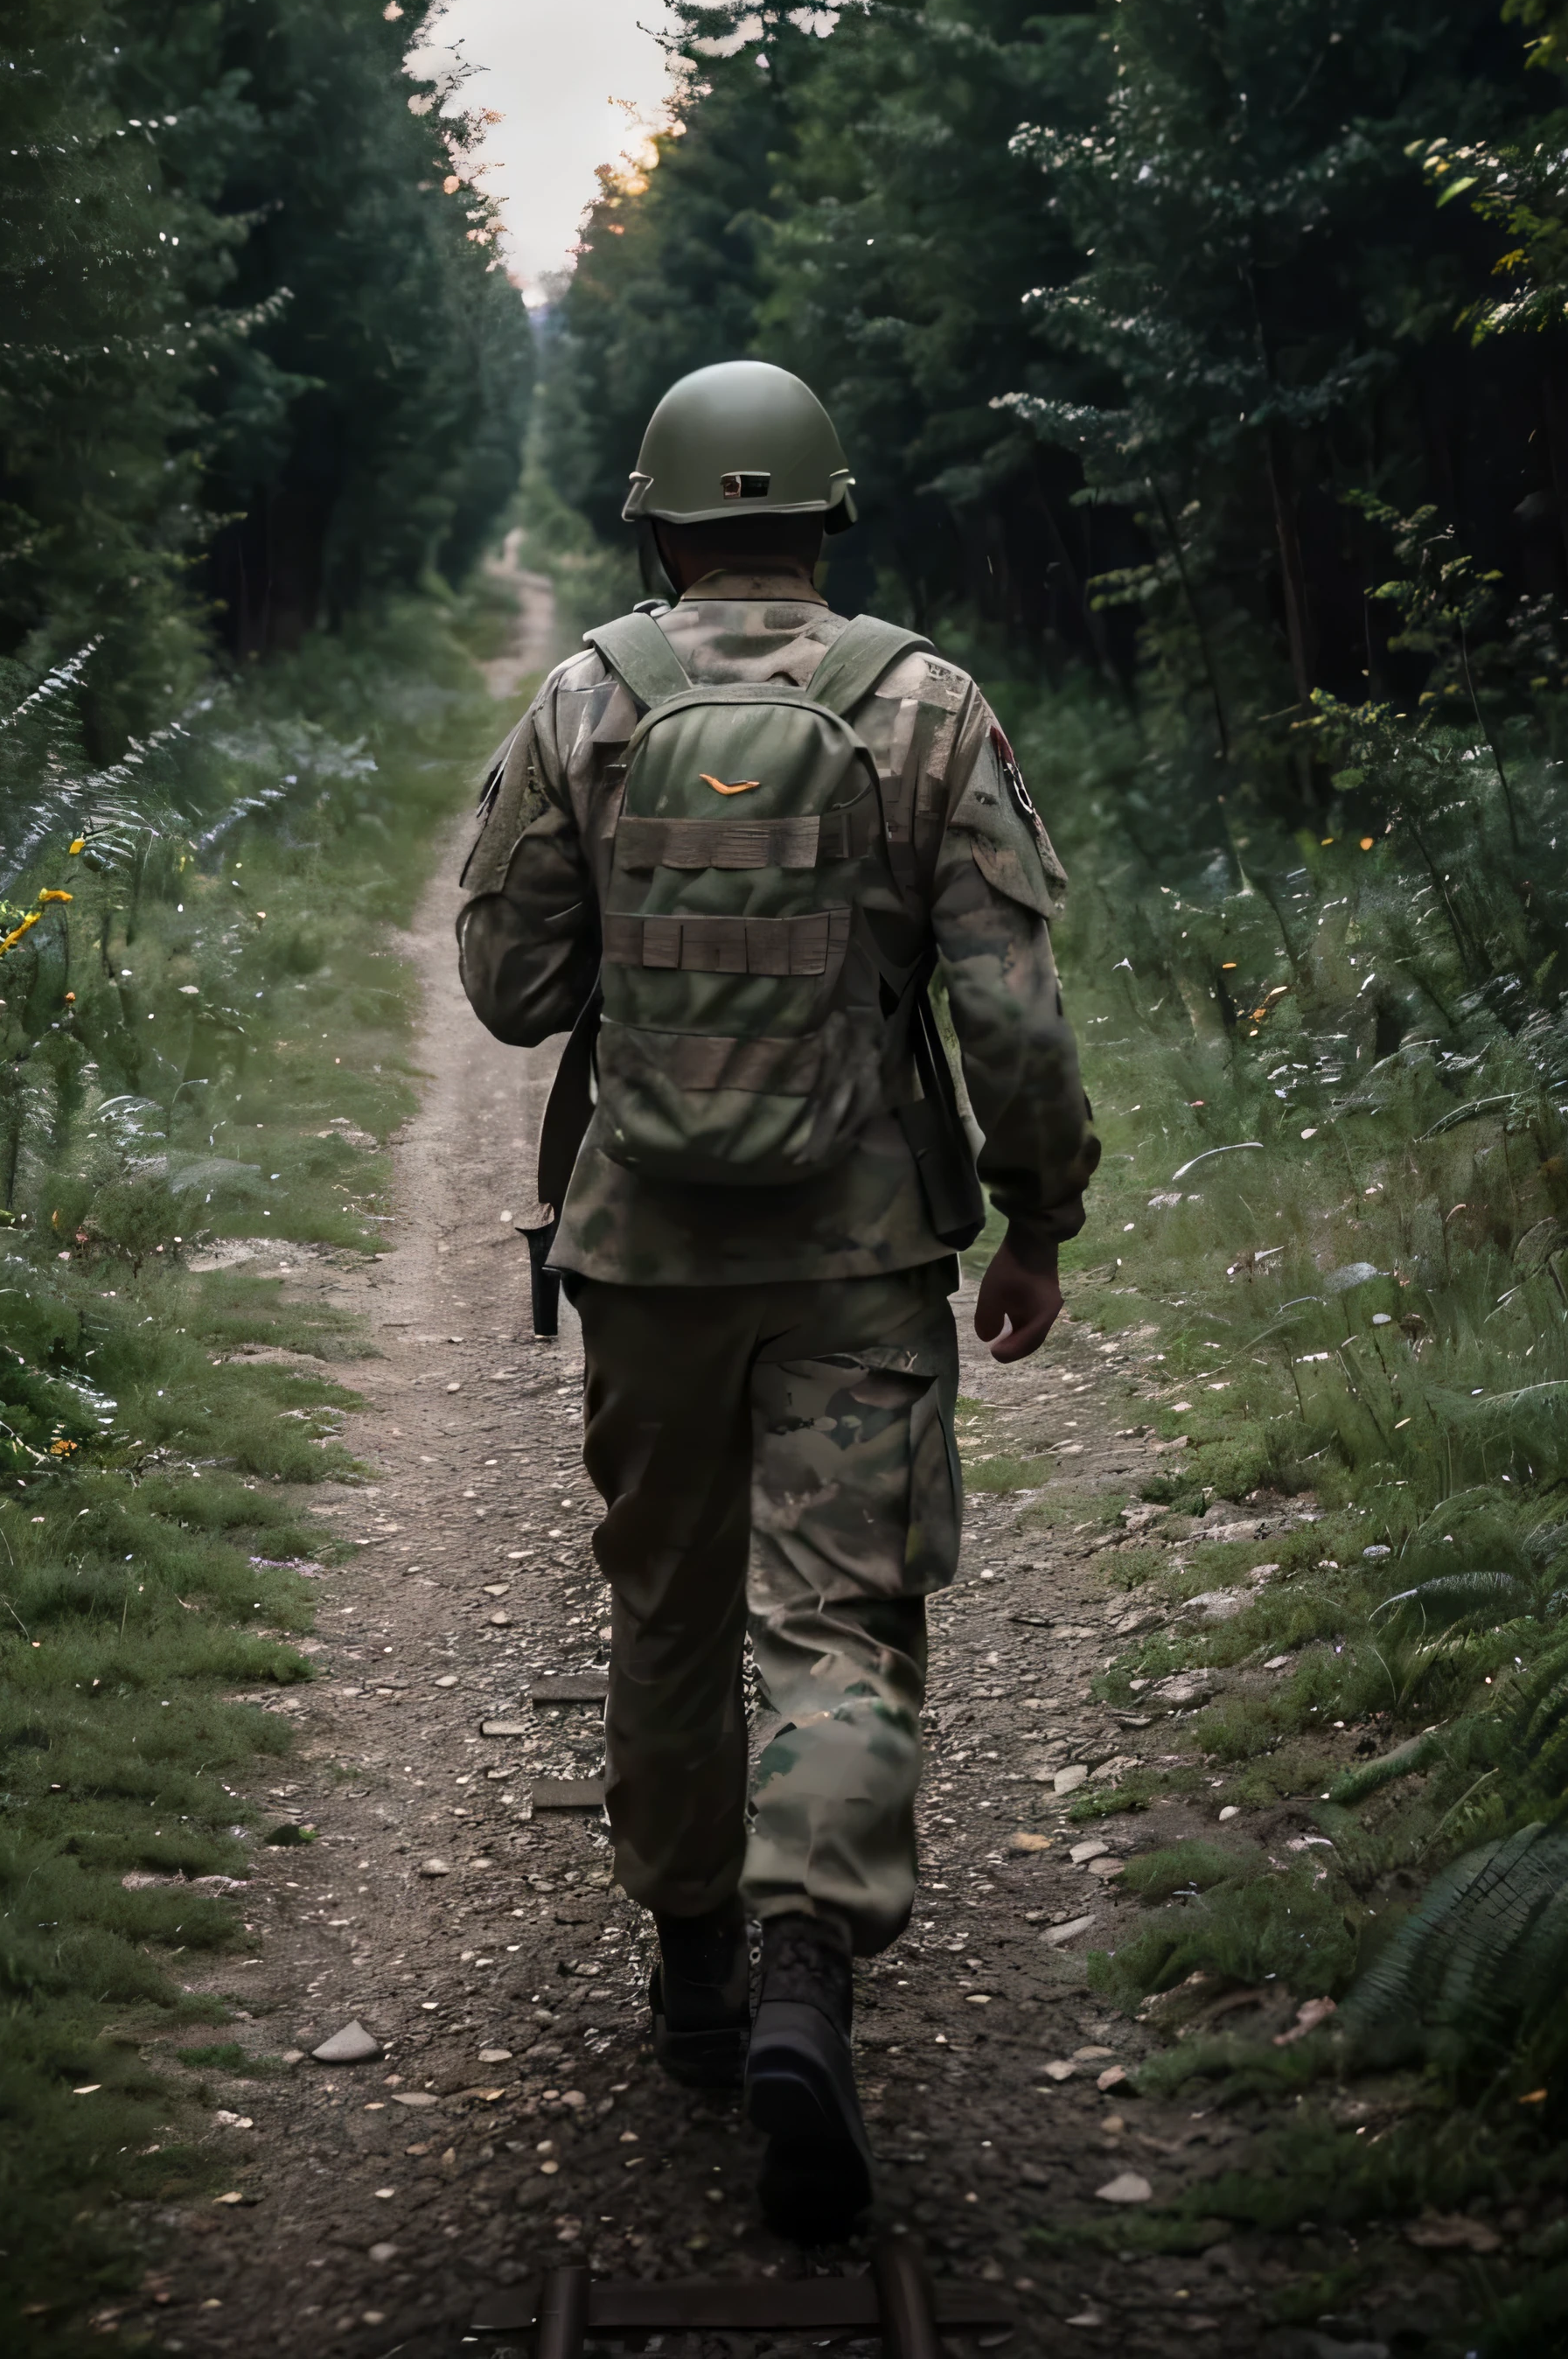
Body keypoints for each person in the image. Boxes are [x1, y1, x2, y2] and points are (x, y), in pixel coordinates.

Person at [456, 359, 1098, 2238]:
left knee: (665, 1600)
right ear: (829, 521)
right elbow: (1013, 1018)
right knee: (839, 1612)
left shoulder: (585, 698)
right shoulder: (925, 704)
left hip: (643, 1249)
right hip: (862, 1246)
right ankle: (812, 1974)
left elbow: (507, 986)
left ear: (655, 521)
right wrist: (1036, 1216)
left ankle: (694, 1979)